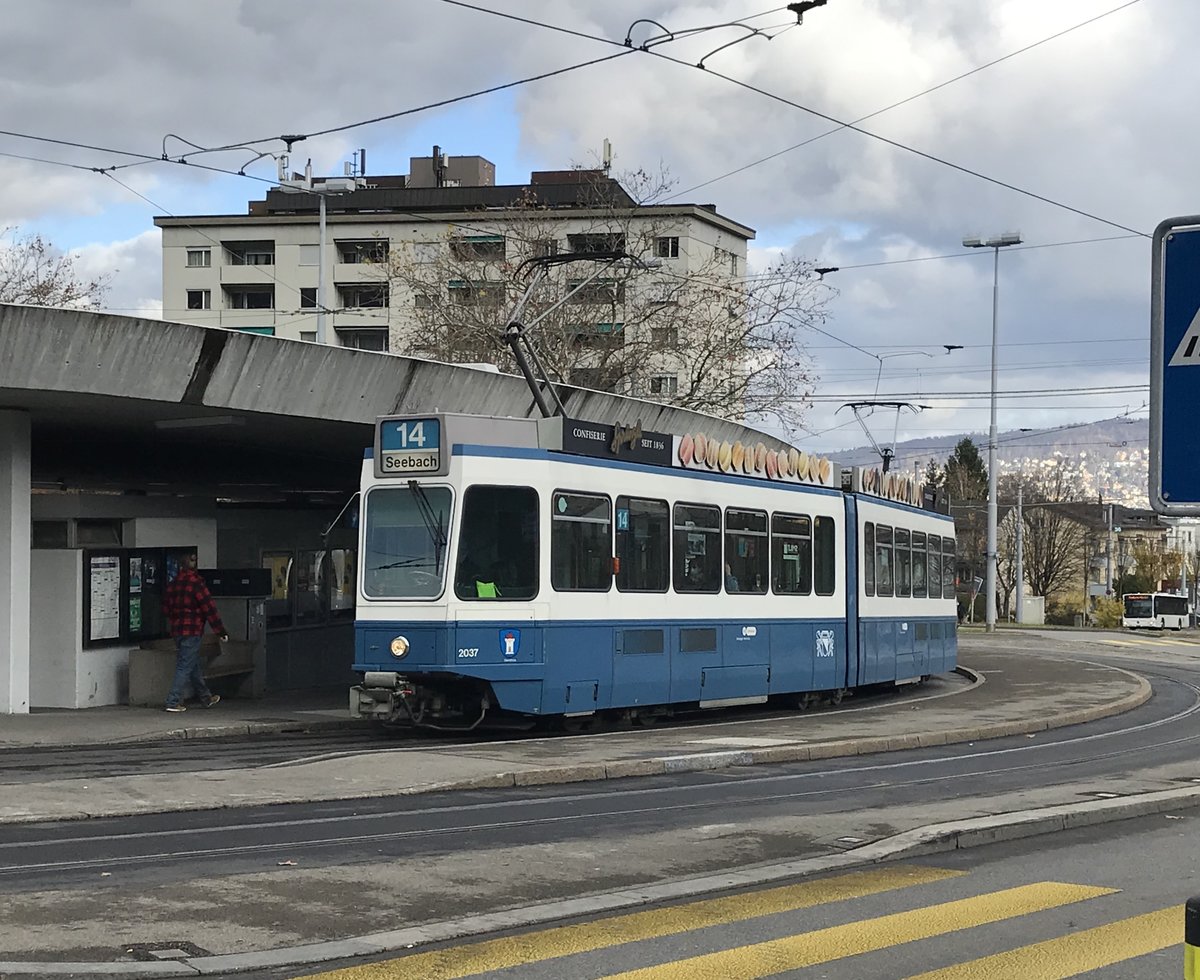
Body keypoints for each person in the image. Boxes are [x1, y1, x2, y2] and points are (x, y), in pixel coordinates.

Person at [162, 553, 228, 712]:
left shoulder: (173, 584)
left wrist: (175, 619)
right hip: (192, 630)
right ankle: (172, 701)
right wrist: (220, 631)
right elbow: (209, 609)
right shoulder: (197, 584)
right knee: (185, 666)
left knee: (193, 664)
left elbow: (165, 608)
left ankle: (206, 697)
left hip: (177, 631)